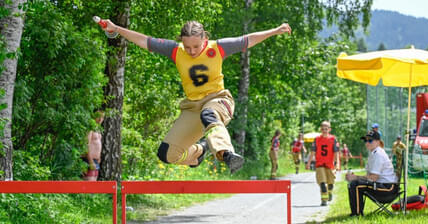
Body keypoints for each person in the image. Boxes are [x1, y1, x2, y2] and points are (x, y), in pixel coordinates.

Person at [98, 19, 292, 173]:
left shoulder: (218, 48)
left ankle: (227, 154)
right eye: (187, 46)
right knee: (167, 154)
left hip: (219, 100)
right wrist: (117, 28)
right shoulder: (175, 51)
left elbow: (248, 39)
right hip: (192, 107)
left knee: (209, 114)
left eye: (196, 47)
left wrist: (275, 30)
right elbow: (144, 40)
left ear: (204, 39)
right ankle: (200, 152)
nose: (191, 51)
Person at [345, 130, 398, 216]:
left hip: (388, 188)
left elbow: (373, 177)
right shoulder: (373, 153)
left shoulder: (378, 154)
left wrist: (355, 177)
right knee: (354, 183)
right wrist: (355, 176)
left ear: (378, 142)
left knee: (355, 184)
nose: (367, 143)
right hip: (383, 185)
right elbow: (370, 176)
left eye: (370, 140)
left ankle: (356, 214)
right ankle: (356, 212)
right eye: (366, 140)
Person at [306, 121, 340, 206]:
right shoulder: (317, 139)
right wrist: (308, 163)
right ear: (321, 129)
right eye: (323, 129)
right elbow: (313, 152)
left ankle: (330, 192)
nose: (324, 130)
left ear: (329, 129)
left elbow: (336, 153)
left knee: (330, 183)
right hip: (320, 164)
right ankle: (324, 200)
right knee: (322, 183)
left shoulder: (333, 139)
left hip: (330, 165)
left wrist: (337, 163)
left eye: (326, 129)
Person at [82, 112, 104, 181]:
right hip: (88, 160)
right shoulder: (90, 129)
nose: (100, 119)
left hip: (96, 161)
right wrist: (90, 161)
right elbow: (86, 145)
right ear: (94, 117)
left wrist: (99, 157)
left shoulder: (98, 130)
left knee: (93, 186)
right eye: (98, 117)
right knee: (89, 186)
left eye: (102, 117)